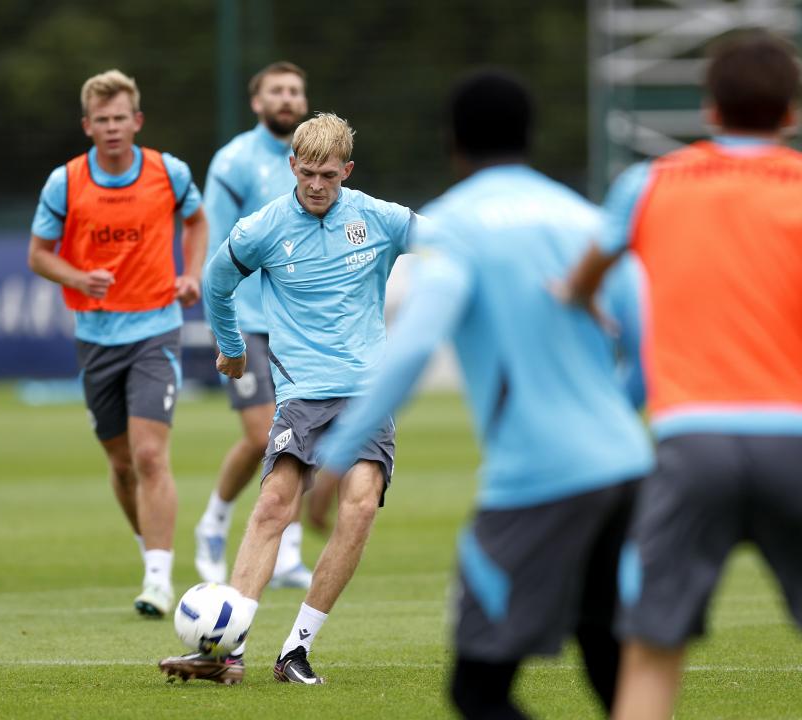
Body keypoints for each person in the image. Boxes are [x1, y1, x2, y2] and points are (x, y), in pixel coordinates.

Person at [314, 70, 654, 719]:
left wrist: (338, 454)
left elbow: (413, 345)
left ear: (454, 144)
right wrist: (611, 415)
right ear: (530, 137)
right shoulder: (585, 218)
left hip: (536, 480)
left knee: (478, 690)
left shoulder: (451, 226)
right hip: (625, 468)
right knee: (613, 671)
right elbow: (648, 341)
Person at [556, 31, 802, 720]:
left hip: (691, 440)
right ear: (790, 113)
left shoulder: (648, 184)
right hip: (794, 437)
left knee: (652, 650)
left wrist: (572, 298)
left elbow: (588, 277)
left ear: (710, 111)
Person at [159, 113, 415, 685]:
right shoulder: (263, 228)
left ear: (346, 171)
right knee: (276, 502)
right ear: (290, 166)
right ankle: (225, 651)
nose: (317, 185)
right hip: (301, 392)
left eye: (328, 174)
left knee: (358, 507)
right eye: (306, 173)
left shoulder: (379, 217)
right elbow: (218, 281)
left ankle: (295, 651)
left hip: (368, 393)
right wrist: (230, 347)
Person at [27, 69, 208, 619]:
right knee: (122, 462)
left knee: (151, 454)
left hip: (156, 328)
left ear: (137, 120)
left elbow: (196, 223)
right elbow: (38, 254)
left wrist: (192, 274)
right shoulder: (66, 182)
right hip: (96, 336)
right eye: (101, 120)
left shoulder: (167, 172)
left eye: (120, 118)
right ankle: (148, 545)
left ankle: (158, 578)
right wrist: (78, 278)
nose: (112, 128)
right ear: (87, 126)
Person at [194, 61, 313, 590]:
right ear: (256, 102)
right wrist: (227, 329)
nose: (287, 98)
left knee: (301, 433)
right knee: (263, 432)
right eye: (277, 91)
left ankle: (285, 550)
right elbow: (219, 247)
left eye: (295, 90)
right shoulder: (235, 160)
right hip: (249, 319)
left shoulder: (312, 160)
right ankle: (216, 521)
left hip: (300, 322)